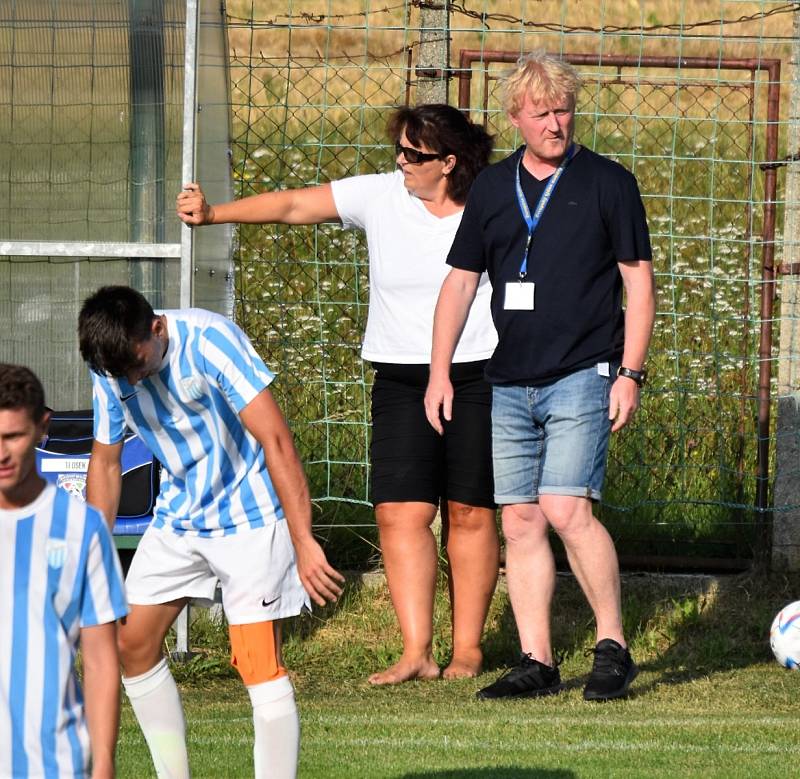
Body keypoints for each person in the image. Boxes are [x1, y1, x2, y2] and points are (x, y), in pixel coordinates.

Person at [177, 104, 501, 685]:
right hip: (400, 377)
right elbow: (295, 205)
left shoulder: (492, 205)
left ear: (449, 163)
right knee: (401, 512)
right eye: (398, 150)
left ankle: (470, 650)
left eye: (414, 155)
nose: (400, 162)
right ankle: (416, 651)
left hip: (477, 372)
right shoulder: (380, 195)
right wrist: (214, 214)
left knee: (470, 511)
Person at [424, 52, 656, 702]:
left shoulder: (609, 182)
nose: (556, 122)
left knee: (566, 508)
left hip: (583, 370)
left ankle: (612, 644)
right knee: (521, 520)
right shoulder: (495, 190)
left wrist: (630, 372)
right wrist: (439, 371)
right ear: (516, 116)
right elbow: (461, 282)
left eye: (564, 109)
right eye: (542, 112)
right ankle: (538, 659)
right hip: (509, 380)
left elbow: (639, 284)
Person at [78, 286, 344, 779]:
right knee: (130, 646)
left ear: (156, 328)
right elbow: (107, 462)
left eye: (140, 365)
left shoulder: (210, 340)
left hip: (252, 517)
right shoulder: (109, 364)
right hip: (179, 517)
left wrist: (303, 540)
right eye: (123, 374)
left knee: (255, 661)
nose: (133, 379)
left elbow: (276, 439)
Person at [0, 363, 128, 779]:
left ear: (42, 428)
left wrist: (104, 763)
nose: (1, 454)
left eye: (12, 437)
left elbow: (100, 658)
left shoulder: (82, 528)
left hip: (54, 762)